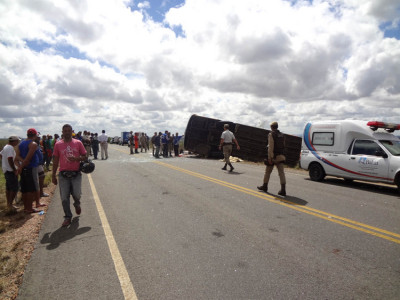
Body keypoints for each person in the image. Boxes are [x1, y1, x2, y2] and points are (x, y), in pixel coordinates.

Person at [52, 124, 87, 227]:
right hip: (63, 175)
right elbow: (55, 160)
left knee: (77, 194)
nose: (67, 132)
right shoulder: (58, 144)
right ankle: (67, 216)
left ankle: (77, 203)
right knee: (64, 198)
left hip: (76, 174)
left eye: (69, 130)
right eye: (65, 131)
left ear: (72, 131)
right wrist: (53, 175)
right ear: (62, 132)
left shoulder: (78, 143)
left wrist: (76, 159)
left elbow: (85, 156)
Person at [15, 128, 42, 213]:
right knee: (30, 189)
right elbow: (28, 159)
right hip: (31, 168)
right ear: (34, 135)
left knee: (25, 189)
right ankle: (29, 208)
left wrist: (21, 165)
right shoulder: (33, 144)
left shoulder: (21, 143)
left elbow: (17, 156)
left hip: (24, 169)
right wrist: (22, 165)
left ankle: (26, 207)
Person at [257, 121, 286, 196]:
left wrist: (270, 158)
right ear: (277, 126)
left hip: (273, 157)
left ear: (271, 127)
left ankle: (265, 186)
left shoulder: (271, 134)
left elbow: (270, 147)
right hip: (281, 156)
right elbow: (283, 146)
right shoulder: (282, 135)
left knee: (268, 172)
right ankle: (283, 190)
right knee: (281, 173)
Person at [0, 136, 20, 211]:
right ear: (14, 141)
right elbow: (10, 159)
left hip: (6, 170)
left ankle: (9, 204)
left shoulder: (6, 147)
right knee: (14, 188)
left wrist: (4, 162)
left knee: (8, 188)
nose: (18, 142)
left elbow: (1, 155)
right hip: (10, 171)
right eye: (17, 141)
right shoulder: (10, 148)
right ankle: (10, 205)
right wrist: (14, 169)